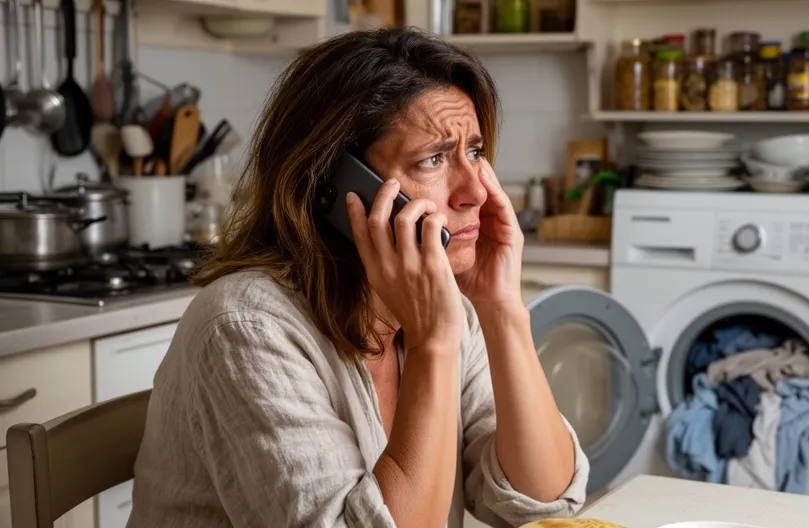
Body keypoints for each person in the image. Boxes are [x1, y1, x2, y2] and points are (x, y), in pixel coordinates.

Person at [127, 27, 589, 528]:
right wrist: (434, 344)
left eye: (474, 153)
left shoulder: (446, 311)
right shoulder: (246, 328)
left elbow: (543, 499)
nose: (475, 191)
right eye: (433, 159)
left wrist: (502, 311)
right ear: (338, 184)